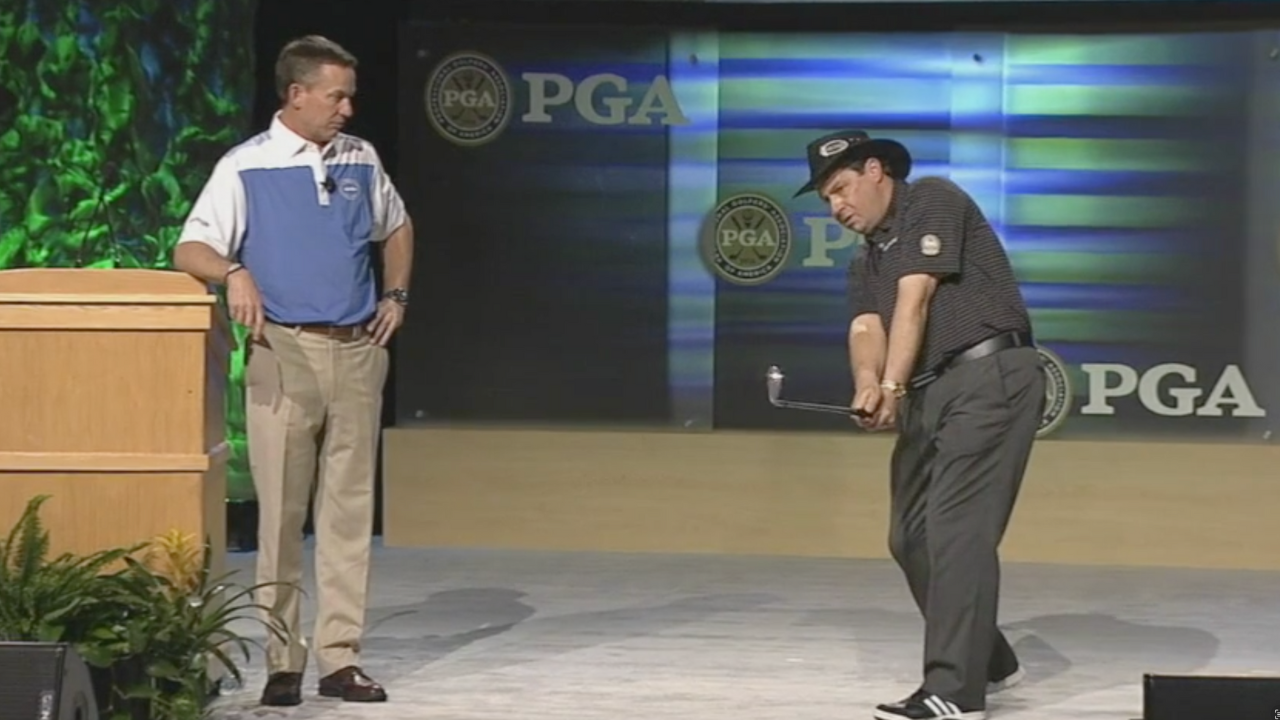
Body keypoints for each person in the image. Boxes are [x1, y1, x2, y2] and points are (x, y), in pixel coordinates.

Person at [172, 35, 414, 706]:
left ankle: (340, 659)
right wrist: (234, 271)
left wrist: (396, 295)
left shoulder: (360, 157)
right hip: (284, 353)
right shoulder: (245, 165)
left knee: (348, 513)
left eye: (351, 97)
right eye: (337, 96)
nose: (348, 109)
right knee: (280, 515)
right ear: (296, 94)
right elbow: (190, 247)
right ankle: (283, 660)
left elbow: (397, 226)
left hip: (357, 351)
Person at [794, 130, 1044, 720]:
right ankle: (988, 658)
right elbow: (867, 327)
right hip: (930, 391)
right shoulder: (867, 257)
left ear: (875, 170)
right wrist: (867, 382)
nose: (837, 206)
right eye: (828, 199)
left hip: (987, 377)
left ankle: (955, 692)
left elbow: (916, 300)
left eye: (841, 188)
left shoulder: (931, 198)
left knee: (957, 532)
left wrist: (891, 387)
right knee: (909, 537)